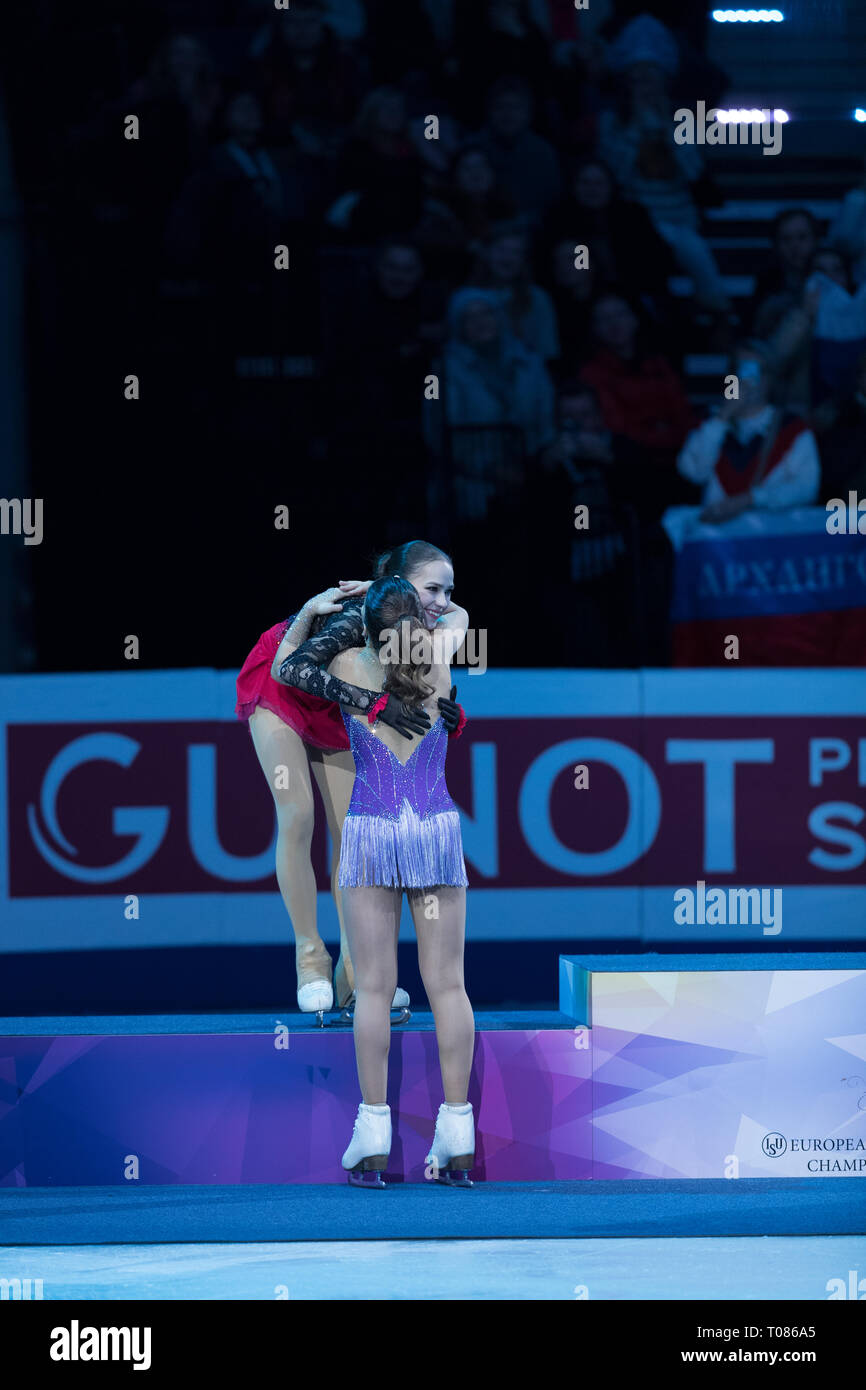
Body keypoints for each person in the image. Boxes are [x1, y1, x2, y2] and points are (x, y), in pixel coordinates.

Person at [234, 542, 464, 1018]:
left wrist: (448, 712)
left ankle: (356, 972)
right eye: (432, 590)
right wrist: (375, 703)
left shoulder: (426, 622)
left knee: (353, 834)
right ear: (398, 585)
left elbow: (457, 616)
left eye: (448, 591)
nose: (441, 603)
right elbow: (294, 669)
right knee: (298, 814)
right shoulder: (355, 617)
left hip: (344, 700)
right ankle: (310, 957)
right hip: (285, 688)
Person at [308, 574, 474, 1187]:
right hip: (432, 828)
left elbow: (285, 666)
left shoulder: (348, 661)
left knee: (375, 991)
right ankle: (458, 1134)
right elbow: (453, 607)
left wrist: (344, 599)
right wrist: (422, 602)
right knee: (448, 987)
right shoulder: (443, 653)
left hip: (374, 830)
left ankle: (373, 1136)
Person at [676, 342, 820, 521]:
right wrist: (724, 415)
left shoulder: (792, 428)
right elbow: (693, 473)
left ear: (769, 380)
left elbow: (806, 487)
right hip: (716, 539)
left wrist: (751, 499)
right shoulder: (711, 422)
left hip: (769, 533)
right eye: (741, 371)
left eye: (757, 372)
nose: (748, 380)